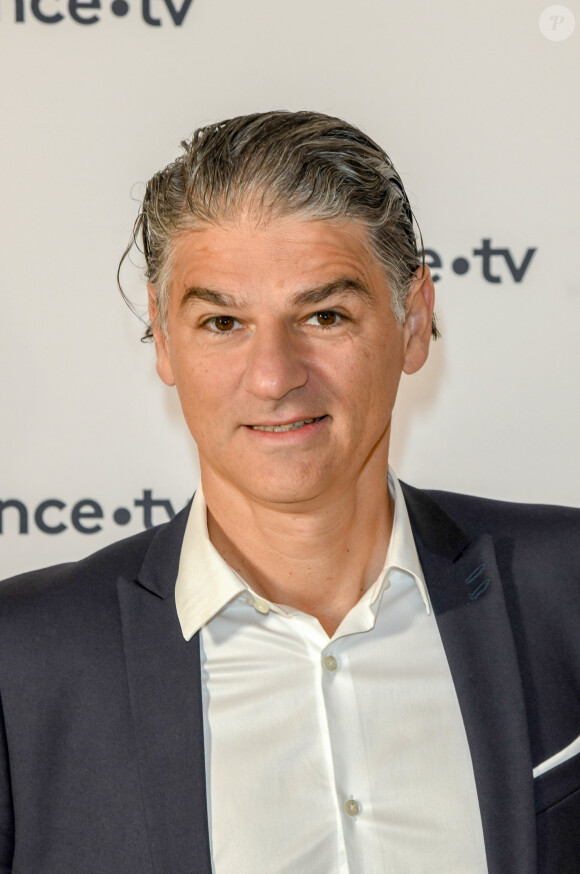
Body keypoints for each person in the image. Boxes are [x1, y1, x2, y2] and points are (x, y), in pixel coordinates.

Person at [0, 111, 579, 874]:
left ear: (414, 321)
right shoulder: (22, 663)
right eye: (223, 322)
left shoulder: (565, 587)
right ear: (165, 340)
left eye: (325, 314)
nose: (274, 375)